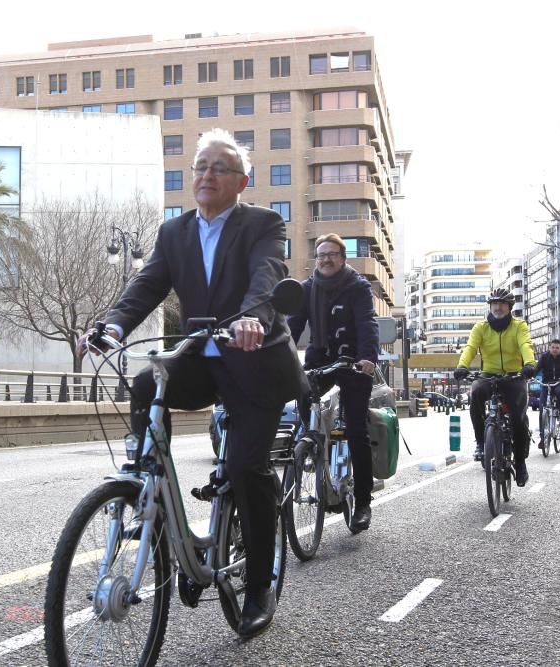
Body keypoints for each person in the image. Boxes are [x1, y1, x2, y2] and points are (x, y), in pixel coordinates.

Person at [82, 129, 305, 639]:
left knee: (246, 468)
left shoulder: (262, 223)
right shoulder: (174, 232)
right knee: (145, 384)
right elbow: (148, 284)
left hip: (254, 363)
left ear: (241, 181)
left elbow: (266, 277)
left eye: (219, 168)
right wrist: (112, 326)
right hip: (203, 359)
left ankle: (257, 587)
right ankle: (144, 486)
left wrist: (253, 319)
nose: (206, 175)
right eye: (200, 167)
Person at [287, 232, 379, 532]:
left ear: (343, 258)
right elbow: (292, 327)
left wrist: (367, 358)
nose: (325, 259)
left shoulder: (358, 286)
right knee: (302, 394)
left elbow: (367, 322)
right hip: (320, 359)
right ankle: (314, 445)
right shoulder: (307, 288)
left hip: (353, 362)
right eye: (321, 254)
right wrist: (280, 357)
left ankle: (363, 502)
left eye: (331, 254)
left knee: (355, 430)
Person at [453, 288, 536, 486]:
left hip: (514, 375)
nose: (497, 307)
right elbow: (471, 348)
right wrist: (462, 366)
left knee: (518, 419)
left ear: (509, 307)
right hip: (488, 374)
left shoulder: (519, 326)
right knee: (476, 394)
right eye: (494, 304)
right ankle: (481, 443)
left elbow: (525, 345)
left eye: (502, 304)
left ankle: (520, 462)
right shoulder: (480, 327)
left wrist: (529, 365)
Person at [534, 339, 560, 446]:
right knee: (542, 409)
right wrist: (530, 376)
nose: (555, 349)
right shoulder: (544, 357)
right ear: (549, 348)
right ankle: (543, 439)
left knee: (559, 392)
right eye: (553, 347)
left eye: (557, 348)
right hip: (546, 384)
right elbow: (537, 368)